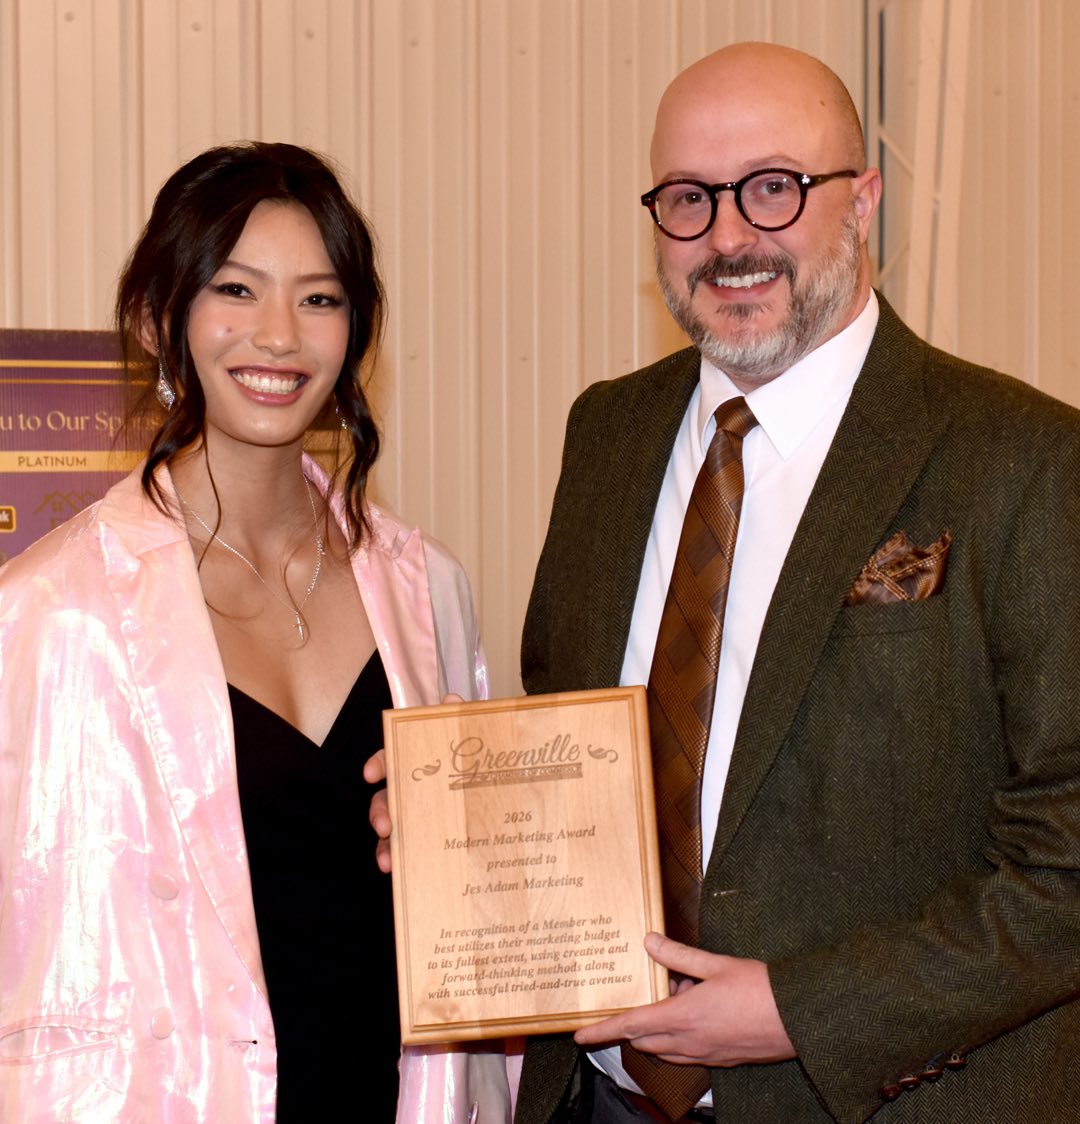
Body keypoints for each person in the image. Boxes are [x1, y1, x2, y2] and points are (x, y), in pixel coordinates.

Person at [507, 42, 1080, 1123]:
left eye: (773, 186)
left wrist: (805, 1011)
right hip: (597, 1098)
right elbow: (567, 728)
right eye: (689, 197)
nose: (728, 238)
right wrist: (465, 819)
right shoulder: (607, 433)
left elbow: (1069, 856)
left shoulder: (1027, 460)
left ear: (862, 202)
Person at [0, 142, 508, 1122]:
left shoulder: (427, 586)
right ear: (158, 318)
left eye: (320, 299)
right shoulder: (50, 613)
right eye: (236, 289)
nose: (279, 335)